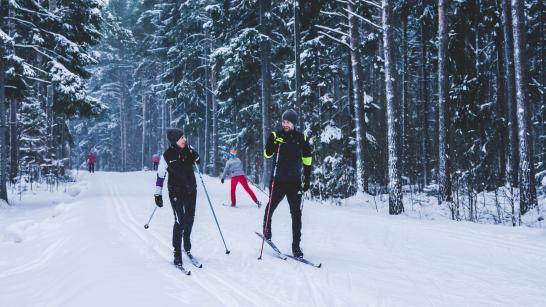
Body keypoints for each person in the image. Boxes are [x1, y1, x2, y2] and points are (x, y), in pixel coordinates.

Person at [262, 109, 312, 258]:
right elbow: (267, 154)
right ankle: (266, 230)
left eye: (288, 122)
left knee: (296, 215)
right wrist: (272, 143)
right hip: (278, 181)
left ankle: (296, 247)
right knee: (271, 207)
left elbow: (307, 160)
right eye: (284, 121)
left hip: (295, 182)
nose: (285, 124)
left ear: (294, 123)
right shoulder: (275, 135)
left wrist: (307, 180)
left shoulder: (301, 138)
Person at [154, 128, 200, 267]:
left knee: (190, 218)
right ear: (175, 140)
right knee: (180, 220)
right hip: (176, 191)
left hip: (191, 190)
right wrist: (158, 193)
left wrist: (195, 155)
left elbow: (198, 162)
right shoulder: (167, 156)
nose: (184, 139)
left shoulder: (188, 150)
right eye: (181, 138)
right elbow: (160, 176)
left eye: (184, 137)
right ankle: (177, 253)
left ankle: (186, 245)